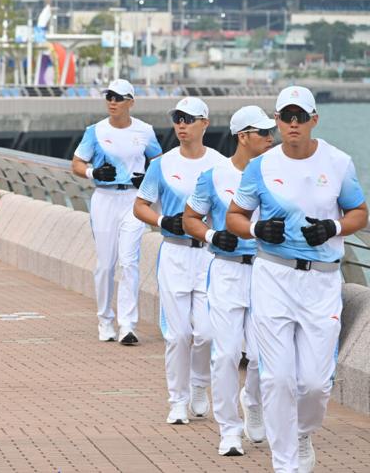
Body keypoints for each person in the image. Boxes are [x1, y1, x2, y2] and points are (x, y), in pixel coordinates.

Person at [227, 86, 368, 473]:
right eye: (286, 116)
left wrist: (332, 227)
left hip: (321, 283)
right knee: (277, 379)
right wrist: (257, 230)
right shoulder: (261, 167)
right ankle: (285, 462)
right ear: (277, 120)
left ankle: (303, 432)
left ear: (313, 120)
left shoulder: (338, 162)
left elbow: (360, 212)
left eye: (300, 116)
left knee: (315, 383)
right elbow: (234, 216)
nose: (293, 123)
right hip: (273, 277)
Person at [182, 105, 276, 457]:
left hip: (268, 270)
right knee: (225, 355)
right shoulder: (214, 175)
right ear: (242, 136)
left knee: (260, 354)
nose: (271, 138)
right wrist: (210, 236)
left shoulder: (277, 172)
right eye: (263, 133)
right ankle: (229, 430)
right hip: (226, 271)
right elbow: (191, 217)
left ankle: (252, 401)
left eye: (271, 132)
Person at [133, 96, 224, 425]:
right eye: (177, 118)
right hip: (173, 254)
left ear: (205, 123)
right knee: (178, 334)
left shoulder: (219, 165)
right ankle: (177, 400)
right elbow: (141, 205)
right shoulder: (162, 164)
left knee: (207, 333)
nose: (182, 124)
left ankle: (200, 385)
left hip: (208, 257)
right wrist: (161, 221)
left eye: (189, 118)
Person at [71, 79, 161, 345]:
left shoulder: (145, 131)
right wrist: (92, 172)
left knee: (129, 262)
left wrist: (145, 178)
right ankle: (105, 320)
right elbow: (76, 163)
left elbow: (158, 161)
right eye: (109, 96)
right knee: (105, 265)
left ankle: (127, 325)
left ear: (130, 102)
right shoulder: (95, 131)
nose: (112, 101)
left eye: (119, 98)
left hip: (133, 201)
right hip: (104, 199)